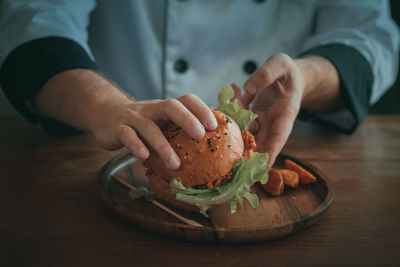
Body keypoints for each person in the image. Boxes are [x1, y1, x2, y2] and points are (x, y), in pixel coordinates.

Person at [0, 0, 398, 168]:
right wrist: (105, 106)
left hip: (287, 142)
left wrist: (307, 77)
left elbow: (369, 36)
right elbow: (34, 22)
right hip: (106, 150)